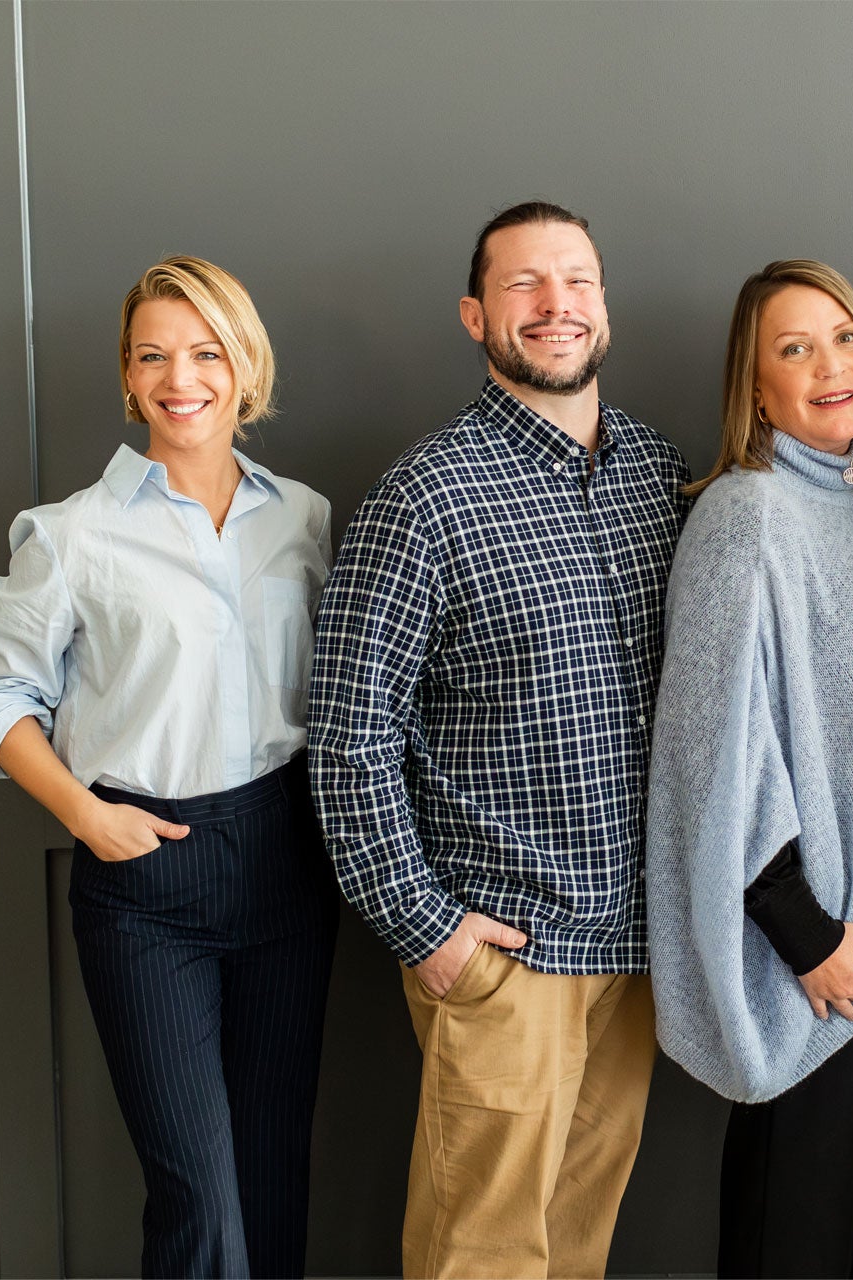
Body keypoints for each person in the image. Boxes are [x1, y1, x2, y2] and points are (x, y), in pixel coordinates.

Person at [307, 201, 690, 1280]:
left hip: (635, 951)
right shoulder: (425, 493)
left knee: (577, 1247)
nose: (557, 304)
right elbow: (348, 733)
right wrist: (428, 927)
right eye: (526, 284)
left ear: (604, 306)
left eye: (578, 279)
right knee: (478, 1255)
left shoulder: (660, 474)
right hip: (503, 953)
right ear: (477, 314)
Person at [0, 256, 339, 1279]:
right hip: (144, 883)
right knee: (199, 1198)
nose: (183, 377)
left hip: (286, 865)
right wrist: (89, 814)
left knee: (270, 1177)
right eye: (154, 355)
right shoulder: (74, 535)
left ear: (244, 365)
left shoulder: (303, 517)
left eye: (207, 350)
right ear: (128, 378)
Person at [645, 260, 853, 1278]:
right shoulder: (747, 513)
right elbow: (710, 749)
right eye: (795, 347)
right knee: (799, 1235)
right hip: (815, 947)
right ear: (757, 384)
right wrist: (803, 930)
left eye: (845, 337)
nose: (831, 365)